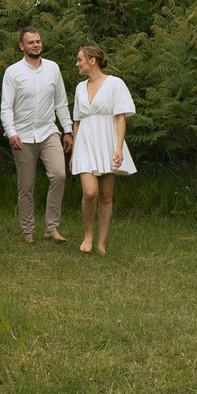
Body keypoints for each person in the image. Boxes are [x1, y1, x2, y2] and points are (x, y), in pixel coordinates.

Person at [0, 27, 73, 243]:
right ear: (22, 46)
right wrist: (11, 132)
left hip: (48, 131)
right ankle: (28, 232)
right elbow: (6, 107)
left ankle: (51, 227)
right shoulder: (13, 72)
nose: (36, 45)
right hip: (22, 136)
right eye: (31, 42)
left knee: (59, 174)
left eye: (38, 41)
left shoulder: (52, 69)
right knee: (26, 185)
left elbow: (61, 102)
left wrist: (67, 131)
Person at [67, 44, 136, 254]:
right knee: (90, 193)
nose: (77, 63)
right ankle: (88, 234)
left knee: (106, 195)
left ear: (92, 60)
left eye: (80, 59)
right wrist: (74, 152)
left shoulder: (115, 84)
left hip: (107, 141)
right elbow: (77, 121)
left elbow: (120, 117)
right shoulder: (80, 88)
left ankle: (101, 243)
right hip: (85, 143)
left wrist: (118, 148)